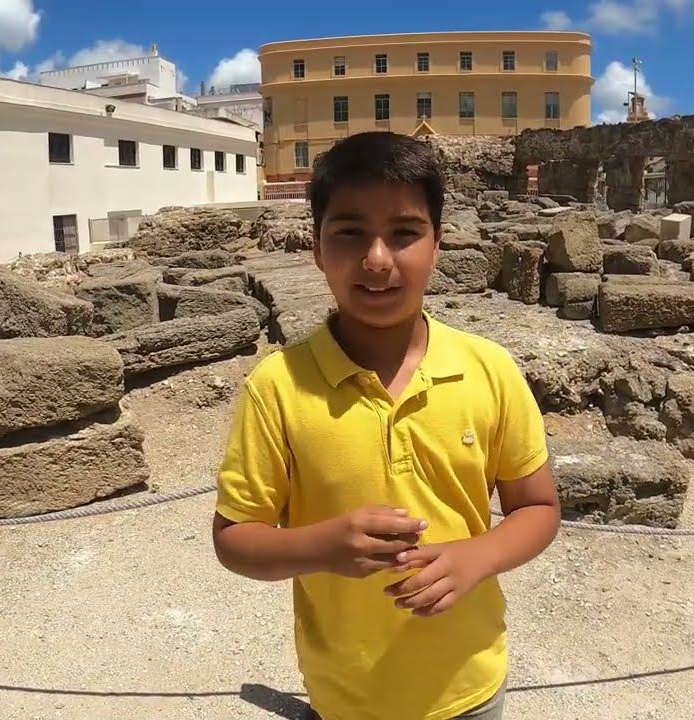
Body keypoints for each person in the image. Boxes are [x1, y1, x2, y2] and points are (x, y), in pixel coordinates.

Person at [211, 131, 561, 720]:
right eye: (349, 233)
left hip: (469, 686)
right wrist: (320, 545)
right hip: (347, 696)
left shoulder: (490, 370)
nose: (377, 258)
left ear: (437, 243)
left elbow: (538, 508)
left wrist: (478, 556)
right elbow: (234, 538)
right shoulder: (277, 386)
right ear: (318, 249)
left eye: (403, 233)